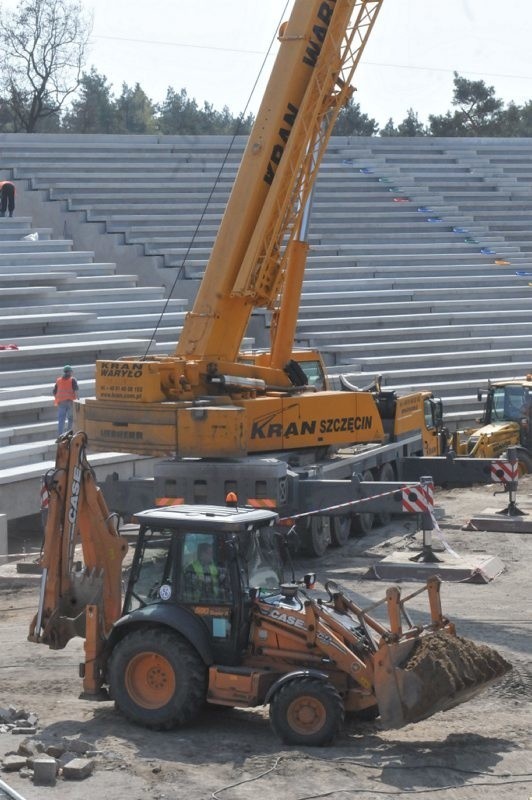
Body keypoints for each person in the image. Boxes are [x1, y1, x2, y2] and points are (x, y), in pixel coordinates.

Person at [53, 365, 79, 436]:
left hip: (61, 402)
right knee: (70, 419)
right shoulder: (72, 380)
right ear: (70, 372)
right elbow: (76, 391)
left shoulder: (58, 380)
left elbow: (54, 392)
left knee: (61, 419)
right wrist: (78, 400)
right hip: (70, 401)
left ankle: (60, 435)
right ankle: (69, 434)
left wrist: (58, 399)